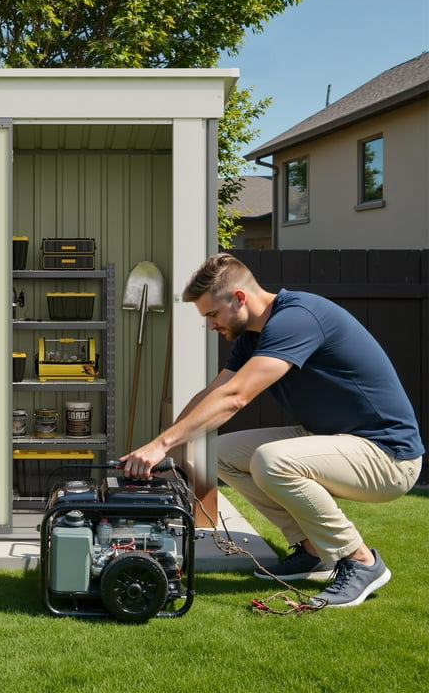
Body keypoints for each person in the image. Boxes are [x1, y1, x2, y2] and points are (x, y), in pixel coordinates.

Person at [121, 253, 424, 608]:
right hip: (332, 439)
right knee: (220, 454)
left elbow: (235, 398)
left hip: (388, 455)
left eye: (213, 315)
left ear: (239, 298)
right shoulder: (252, 334)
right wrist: (159, 445)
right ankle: (313, 549)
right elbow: (213, 393)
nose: (210, 325)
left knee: (272, 460)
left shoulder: (296, 319)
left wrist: (161, 446)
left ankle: (360, 560)